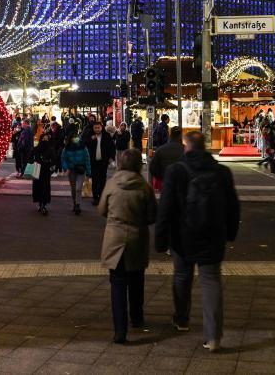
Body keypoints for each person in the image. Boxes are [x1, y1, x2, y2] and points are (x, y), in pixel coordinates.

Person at [155, 131, 240, 352]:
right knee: (211, 281)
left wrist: (161, 239)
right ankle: (213, 336)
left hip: (182, 234)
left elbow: (165, 207)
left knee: (182, 276)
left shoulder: (176, 171)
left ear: (187, 147)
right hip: (213, 235)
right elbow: (233, 206)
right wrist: (230, 233)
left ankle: (182, 319)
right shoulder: (222, 172)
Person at [98, 149, 156, 344]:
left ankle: (120, 330)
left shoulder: (111, 184)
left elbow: (102, 209)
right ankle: (137, 318)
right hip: (137, 237)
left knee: (117, 283)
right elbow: (152, 216)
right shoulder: (144, 187)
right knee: (137, 279)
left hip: (114, 237)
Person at [86, 121, 116, 206]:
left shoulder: (106, 136)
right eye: (95, 128)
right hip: (93, 161)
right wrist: (91, 140)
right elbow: (84, 144)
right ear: (93, 128)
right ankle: (95, 197)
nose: (97, 129)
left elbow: (112, 147)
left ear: (101, 128)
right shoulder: (90, 136)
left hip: (103, 161)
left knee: (103, 179)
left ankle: (102, 196)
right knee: (95, 180)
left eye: (98, 127)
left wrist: (111, 157)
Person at [149, 126, 184, 193]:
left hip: (166, 185)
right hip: (182, 187)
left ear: (170, 135)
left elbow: (152, 168)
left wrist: (162, 177)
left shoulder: (161, 150)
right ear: (181, 135)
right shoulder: (185, 150)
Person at [61, 136, 91, 215]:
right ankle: (74, 203)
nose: (76, 139)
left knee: (78, 188)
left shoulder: (83, 147)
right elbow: (63, 159)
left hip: (81, 170)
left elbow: (87, 159)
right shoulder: (66, 148)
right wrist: (66, 168)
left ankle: (78, 205)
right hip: (71, 171)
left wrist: (88, 172)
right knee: (73, 188)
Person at [30, 131, 58, 215]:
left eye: (46, 139)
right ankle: (41, 204)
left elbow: (54, 160)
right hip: (40, 170)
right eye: (44, 139)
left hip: (44, 170)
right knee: (40, 187)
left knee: (43, 187)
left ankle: (43, 204)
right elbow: (30, 158)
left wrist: (51, 166)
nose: (45, 140)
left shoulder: (48, 149)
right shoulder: (38, 149)